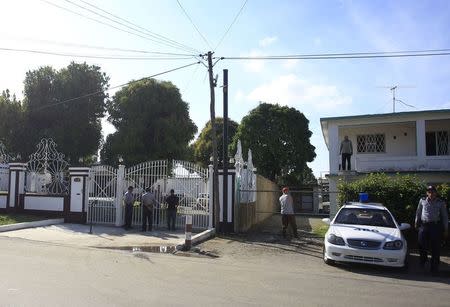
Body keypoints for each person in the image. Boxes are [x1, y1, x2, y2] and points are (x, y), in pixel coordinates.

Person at [415, 185, 448, 275]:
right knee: (421, 244)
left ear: (436, 193)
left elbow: (445, 216)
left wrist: (446, 229)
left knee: (435, 247)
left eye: (433, 191)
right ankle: (423, 261)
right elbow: (418, 212)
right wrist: (416, 222)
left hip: (435, 226)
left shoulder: (440, 202)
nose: (431, 193)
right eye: (429, 192)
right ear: (427, 193)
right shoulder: (422, 200)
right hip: (424, 225)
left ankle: (434, 267)